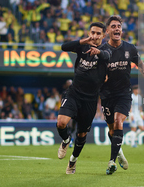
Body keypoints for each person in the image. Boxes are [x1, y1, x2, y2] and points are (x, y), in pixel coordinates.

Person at [100, 15, 144, 175]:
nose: (117, 29)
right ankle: (119, 153)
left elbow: (140, 63)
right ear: (108, 30)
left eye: (119, 26)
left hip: (124, 93)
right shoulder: (103, 50)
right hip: (106, 95)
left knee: (118, 122)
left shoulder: (129, 48)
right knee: (112, 129)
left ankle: (111, 161)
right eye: (113, 26)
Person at [56, 22, 111, 174]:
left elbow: (107, 56)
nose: (94, 36)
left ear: (103, 35)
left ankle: (72, 162)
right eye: (92, 32)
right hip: (74, 93)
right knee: (61, 123)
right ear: (89, 32)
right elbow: (63, 47)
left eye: (98, 33)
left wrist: (98, 52)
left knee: (82, 134)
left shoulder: (107, 49)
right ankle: (66, 140)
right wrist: (83, 41)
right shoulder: (82, 46)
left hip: (91, 98)